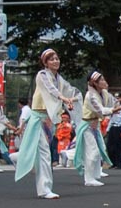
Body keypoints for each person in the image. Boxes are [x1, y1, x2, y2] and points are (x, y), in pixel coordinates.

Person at [14, 48, 80, 199]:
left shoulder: (59, 78)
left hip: (47, 120)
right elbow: (51, 90)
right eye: (51, 59)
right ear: (45, 62)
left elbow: (68, 90)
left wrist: (74, 99)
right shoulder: (42, 75)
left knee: (43, 153)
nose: (55, 61)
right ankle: (44, 189)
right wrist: (63, 98)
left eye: (57, 58)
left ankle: (20, 157)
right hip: (38, 119)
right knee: (44, 153)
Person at [75, 70, 119, 187]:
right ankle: (88, 178)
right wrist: (113, 110)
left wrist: (116, 106)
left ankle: (95, 173)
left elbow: (112, 103)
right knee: (92, 151)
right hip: (87, 126)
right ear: (95, 83)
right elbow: (101, 110)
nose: (105, 82)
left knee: (100, 149)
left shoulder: (103, 93)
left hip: (95, 125)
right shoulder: (90, 96)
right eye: (102, 80)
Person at [106, 91, 121, 169]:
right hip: (113, 127)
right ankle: (113, 163)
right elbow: (111, 119)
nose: (117, 100)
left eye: (118, 98)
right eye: (116, 98)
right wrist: (108, 129)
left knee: (119, 147)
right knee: (110, 146)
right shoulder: (113, 108)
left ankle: (119, 164)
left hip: (120, 127)